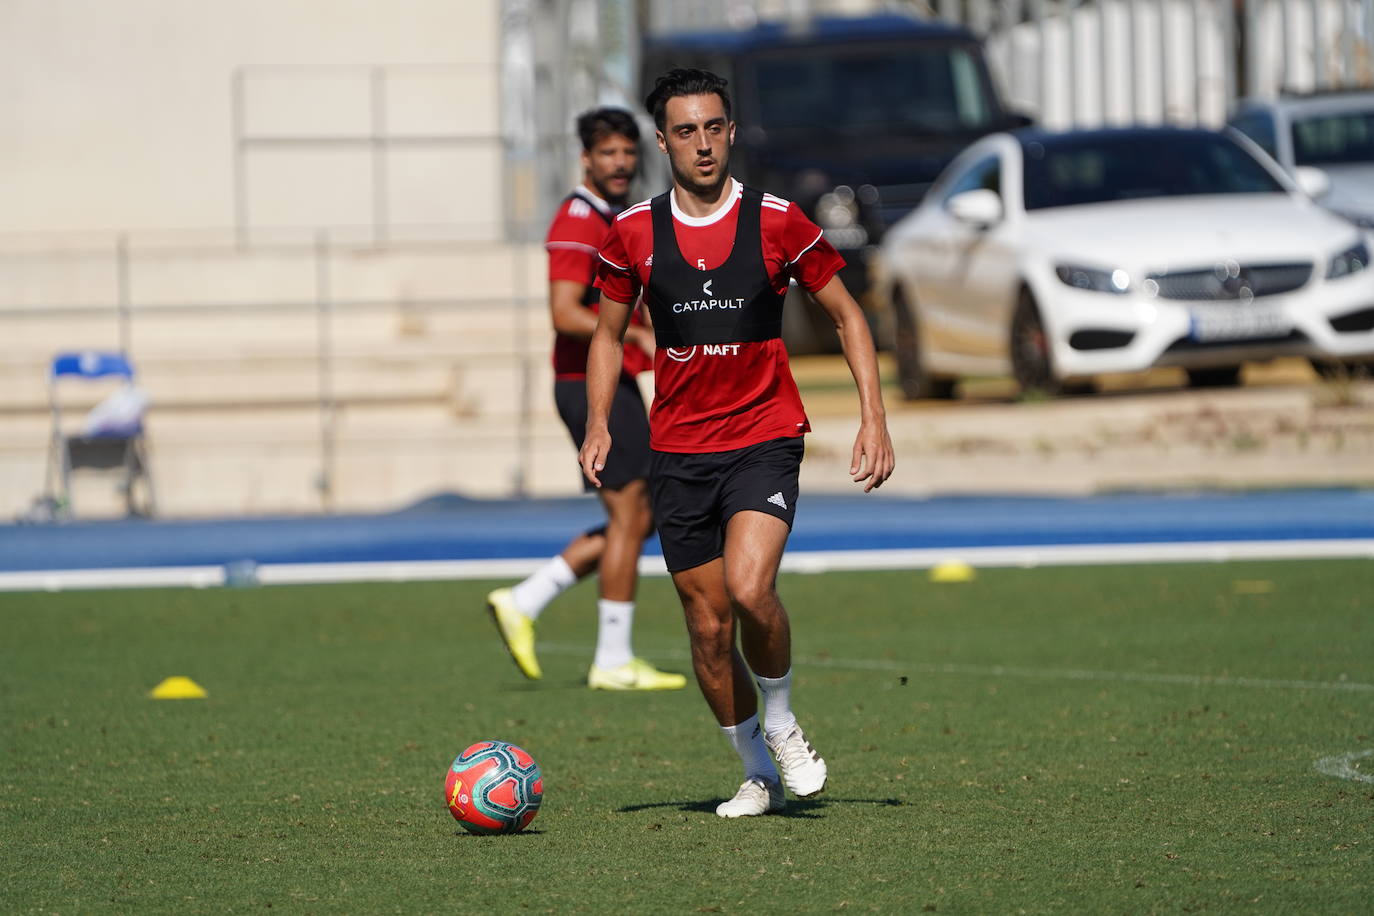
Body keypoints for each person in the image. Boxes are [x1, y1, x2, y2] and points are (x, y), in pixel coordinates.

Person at [580, 70, 895, 817]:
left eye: (714, 127)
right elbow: (605, 333)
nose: (702, 144)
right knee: (708, 626)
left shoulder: (779, 221)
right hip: (679, 450)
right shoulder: (632, 234)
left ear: (731, 132)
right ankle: (755, 769)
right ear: (663, 141)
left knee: (751, 591)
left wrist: (873, 417)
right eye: (685, 131)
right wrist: (599, 420)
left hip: (765, 435)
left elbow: (849, 316)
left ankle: (781, 718)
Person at [487, 107, 686, 692]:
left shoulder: (609, 215)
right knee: (632, 514)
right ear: (586, 159)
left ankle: (526, 599)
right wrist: (641, 336)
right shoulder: (578, 219)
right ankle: (613, 658)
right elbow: (565, 310)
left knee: (640, 513)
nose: (621, 163)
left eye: (628, 152)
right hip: (585, 384)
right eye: (609, 153)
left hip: (610, 380)